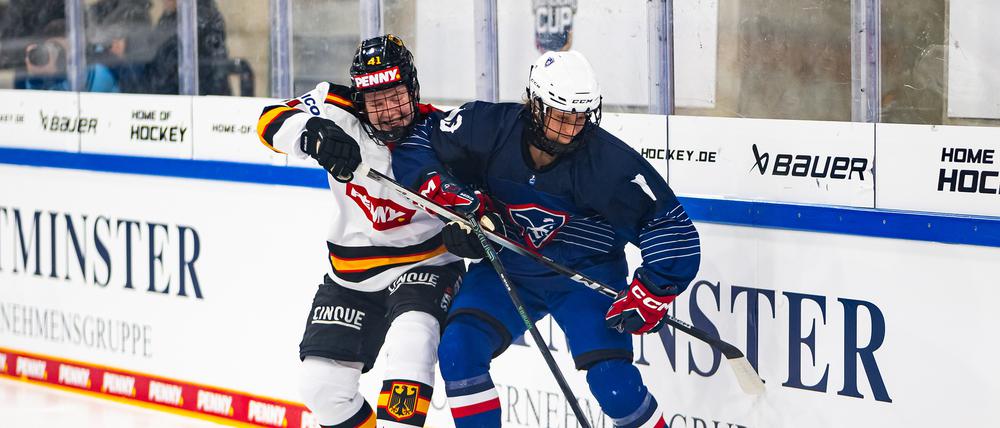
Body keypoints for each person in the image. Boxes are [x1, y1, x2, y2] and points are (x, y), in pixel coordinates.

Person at [391, 50, 701, 428]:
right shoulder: (487, 127)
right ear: (535, 105)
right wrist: (449, 199)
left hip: (585, 277)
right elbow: (416, 143)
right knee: (459, 349)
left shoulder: (607, 162)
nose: (571, 128)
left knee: (614, 387)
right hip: (510, 266)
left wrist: (654, 287)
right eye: (560, 116)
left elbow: (670, 226)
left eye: (580, 117)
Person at [255, 35, 463, 428]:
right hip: (351, 276)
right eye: (375, 101)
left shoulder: (444, 131)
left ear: (413, 88)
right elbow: (269, 120)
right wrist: (311, 131)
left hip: (426, 265)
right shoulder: (334, 108)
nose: (387, 112)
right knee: (322, 388)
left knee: (410, 344)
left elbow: (481, 202)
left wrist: (468, 231)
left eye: (396, 96)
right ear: (358, 98)